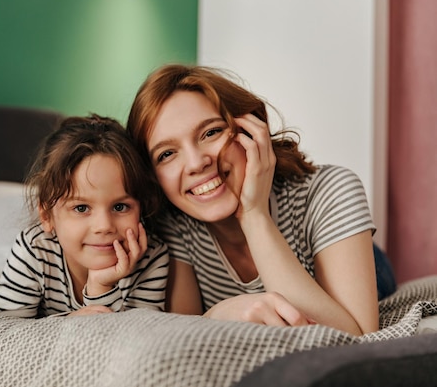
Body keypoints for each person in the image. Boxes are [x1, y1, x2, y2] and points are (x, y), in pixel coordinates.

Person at [126, 64, 395, 335]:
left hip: (353, 256)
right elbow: (182, 333)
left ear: (251, 130)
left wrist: (254, 214)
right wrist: (218, 314)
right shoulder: (174, 225)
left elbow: (355, 336)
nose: (197, 163)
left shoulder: (332, 189)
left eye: (211, 133)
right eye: (167, 154)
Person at [0, 114, 169, 318]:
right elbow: (4, 334)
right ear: (47, 217)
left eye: (120, 207)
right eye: (82, 208)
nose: (104, 226)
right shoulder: (35, 249)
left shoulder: (151, 258)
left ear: (141, 207)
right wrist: (69, 321)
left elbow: (134, 340)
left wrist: (100, 286)